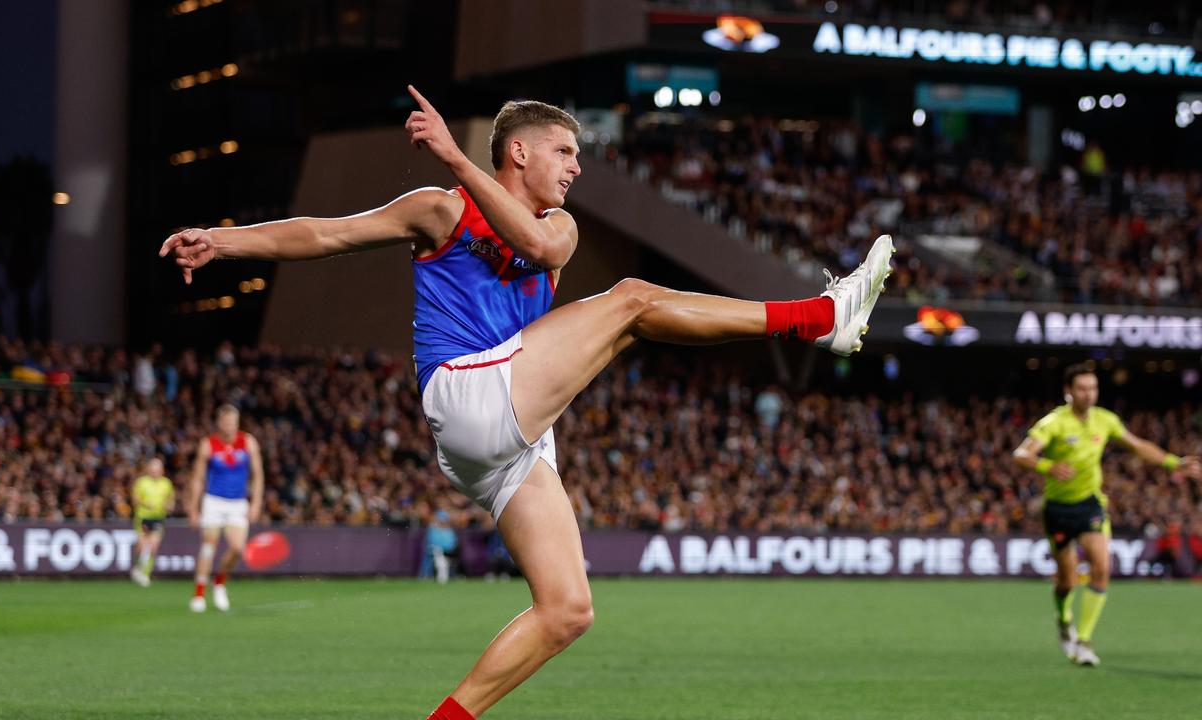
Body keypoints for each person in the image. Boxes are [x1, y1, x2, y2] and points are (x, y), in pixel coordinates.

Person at [160, 86, 892, 718]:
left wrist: (457, 156)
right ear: (518, 153)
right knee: (633, 301)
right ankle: (818, 319)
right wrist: (222, 242)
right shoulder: (440, 209)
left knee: (568, 610)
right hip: (469, 388)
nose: (576, 167)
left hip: (508, 435)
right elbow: (324, 233)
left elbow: (542, 255)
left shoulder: (561, 227)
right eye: (565, 152)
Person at [1012, 363, 1201, 666]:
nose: (1089, 394)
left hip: (1090, 504)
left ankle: (1084, 641)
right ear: (1068, 392)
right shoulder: (1053, 423)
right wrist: (1048, 466)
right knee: (1066, 581)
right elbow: (1022, 454)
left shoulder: (1105, 420)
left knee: (1101, 566)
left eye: (1093, 388)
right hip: (1059, 509)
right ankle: (1064, 620)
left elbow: (1138, 445)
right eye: (1082, 389)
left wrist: (1173, 463)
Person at [186, 404, 264, 613]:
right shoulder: (208, 444)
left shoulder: (247, 442)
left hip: (238, 502)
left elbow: (258, 474)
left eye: (233, 422)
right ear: (219, 422)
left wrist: (256, 502)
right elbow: (197, 478)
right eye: (226, 421)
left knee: (238, 548)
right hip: (213, 500)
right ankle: (199, 594)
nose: (229, 426)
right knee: (208, 546)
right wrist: (194, 508)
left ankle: (219, 582)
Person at [130, 457, 175, 587]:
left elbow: (171, 500)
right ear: (149, 469)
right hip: (143, 517)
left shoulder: (166, 484)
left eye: (158, 469)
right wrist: (145, 503)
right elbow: (135, 500)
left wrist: (169, 506)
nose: (155, 472)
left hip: (158, 518)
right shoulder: (141, 482)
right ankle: (137, 566)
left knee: (154, 545)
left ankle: (145, 573)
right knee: (142, 544)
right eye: (153, 469)